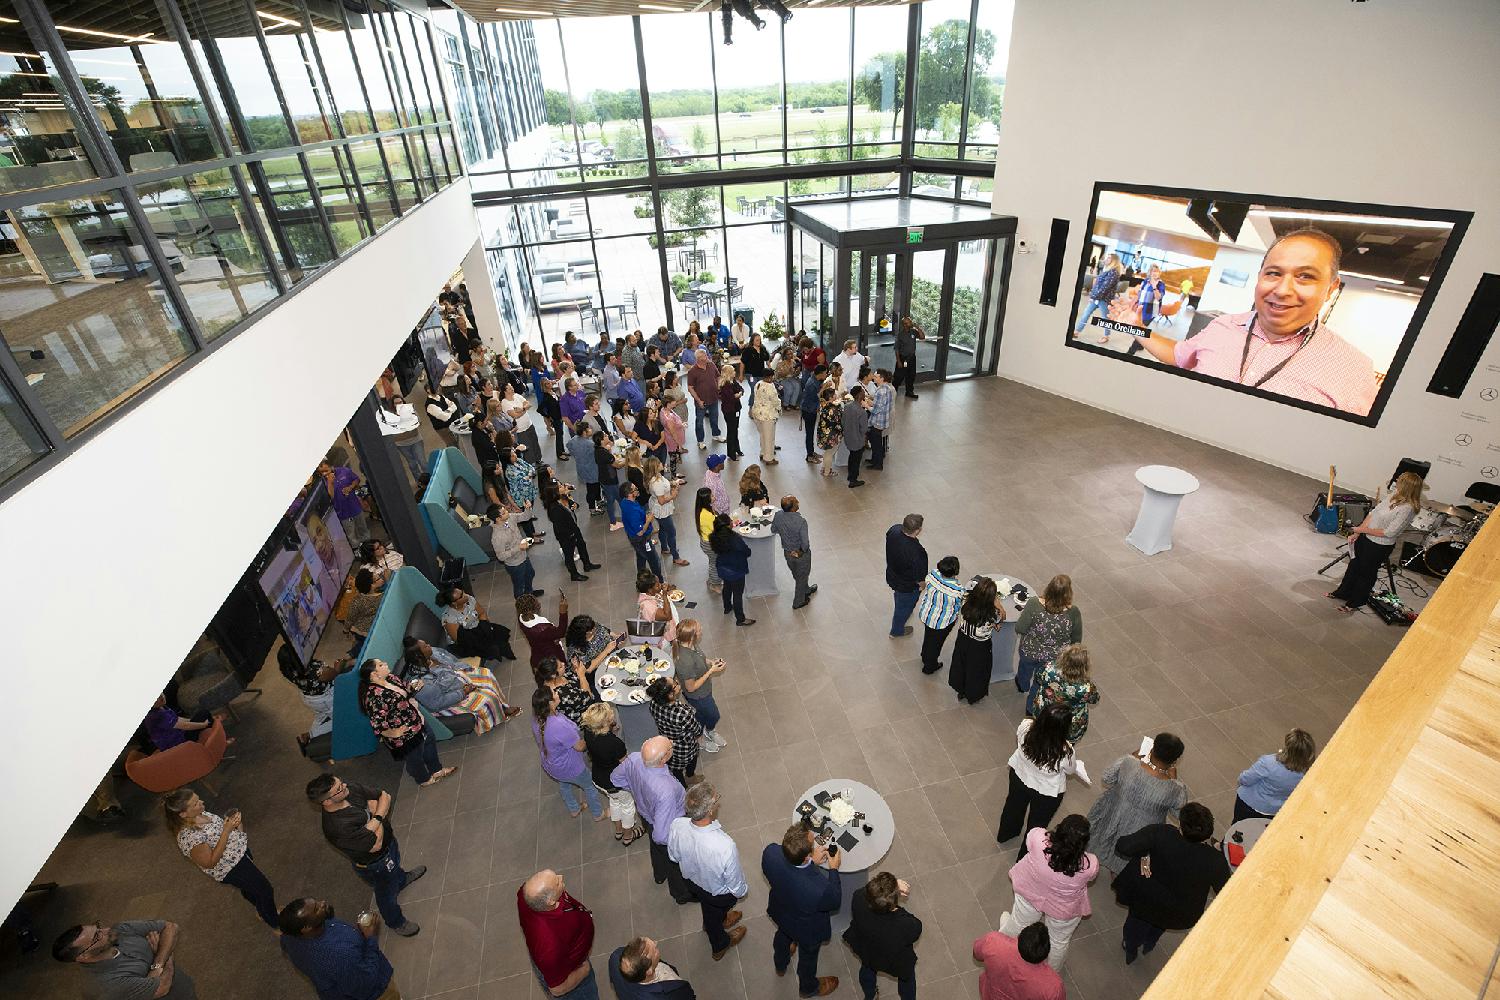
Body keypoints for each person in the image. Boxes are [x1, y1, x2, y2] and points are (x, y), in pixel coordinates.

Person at [1134, 229, 1378, 415]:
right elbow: (1178, 355)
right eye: (1274, 273)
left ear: (1331, 289)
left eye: (1305, 276)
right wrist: (1131, 326)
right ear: (1259, 277)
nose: (1283, 290)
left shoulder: (1354, 370)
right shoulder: (1223, 327)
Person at [307, 773, 423, 937]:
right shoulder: (337, 827)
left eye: (341, 782)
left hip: (388, 844)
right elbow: (374, 845)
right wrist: (378, 813)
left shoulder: (349, 789)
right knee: (386, 894)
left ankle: (401, 879)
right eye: (339, 788)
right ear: (326, 801)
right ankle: (396, 922)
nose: (345, 786)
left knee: (395, 865)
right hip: (375, 864)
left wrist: (374, 820)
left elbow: (383, 795)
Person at [1113, 802, 1230, 964]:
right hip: (1179, 909)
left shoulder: (1160, 833)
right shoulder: (1214, 860)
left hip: (1146, 898)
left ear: (1181, 826)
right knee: (1161, 924)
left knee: (1136, 923)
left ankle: (1130, 947)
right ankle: (1149, 943)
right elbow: (1227, 893)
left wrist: (1144, 854)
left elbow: (1123, 846)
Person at [162, 791, 278, 929]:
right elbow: (210, 862)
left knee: (251, 888)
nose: (202, 803)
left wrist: (236, 825)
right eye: (196, 804)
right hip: (232, 868)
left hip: (239, 854)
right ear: (183, 814)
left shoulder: (200, 814)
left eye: (198, 799)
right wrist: (226, 831)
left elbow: (217, 833)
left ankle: (263, 911)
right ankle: (275, 923)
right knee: (265, 890)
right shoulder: (189, 837)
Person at [998, 815, 1097, 972]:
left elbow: (1030, 838)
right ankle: (1051, 972)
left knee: (1019, 922)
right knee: (1058, 941)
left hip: (1030, 893)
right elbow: (1091, 878)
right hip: (1063, 908)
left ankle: (1002, 948)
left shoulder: (1039, 840)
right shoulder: (1090, 865)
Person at [1086, 732, 1189, 874]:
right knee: (1126, 865)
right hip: (1141, 833)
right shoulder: (1176, 789)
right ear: (1174, 761)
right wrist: (1174, 780)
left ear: (1152, 749)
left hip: (1112, 815)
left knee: (1100, 841)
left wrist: (1132, 756)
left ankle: (1090, 865)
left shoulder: (1129, 763)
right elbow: (1179, 814)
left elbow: (1107, 778)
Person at [668, 781, 749, 959]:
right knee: (715, 909)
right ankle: (720, 943)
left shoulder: (677, 825)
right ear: (710, 810)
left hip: (691, 882)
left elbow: (673, 856)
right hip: (717, 893)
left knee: (709, 907)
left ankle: (715, 920)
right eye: (715, 799)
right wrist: (741, 892)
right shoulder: (724, 845)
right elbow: (735, 884)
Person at [762, 823, 841, 998]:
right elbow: (835, 900)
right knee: (808, 957)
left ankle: (780, 964)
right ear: (805, 857)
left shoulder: (770, 853)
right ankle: (808, 987)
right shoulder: (819, 888)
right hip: (806, 930)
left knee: (783, 937)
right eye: (813, 845)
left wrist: (811, 860)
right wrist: (833, 868)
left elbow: (787, 872)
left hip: (781, 913)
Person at [611, 737, 694, 903]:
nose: (671, 743)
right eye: (669, 747)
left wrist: (637, 790)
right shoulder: (667, 790)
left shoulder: (634, 758)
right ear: (663, 759)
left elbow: (615, 778)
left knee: (655, 847)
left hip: (646, 815)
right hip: (668, 825)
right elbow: (662, 836)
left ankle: (659, 874)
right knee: (674, 863)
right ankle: (681, 894)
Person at [997, 704, 1090, 852]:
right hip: (1047, 791)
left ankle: (1006, 834)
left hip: (1020, 776)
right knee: (1036, 824)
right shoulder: (1065, 750)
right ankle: (1025, 855)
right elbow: (1071, 770)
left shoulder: (1026, 726)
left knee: (1013, 807)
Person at [1329, 471, 1422, 611]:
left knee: (1366, 574)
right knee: (1354, 566)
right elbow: (1373, 513)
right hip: (1365, 538)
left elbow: (1390, 532)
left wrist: (1362, 531)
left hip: (1379, 546)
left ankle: (1355, 602)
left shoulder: (1408, 509)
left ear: (1406, 487)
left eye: (1399, 481)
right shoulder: (1394, 496)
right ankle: (1343, 593)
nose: (1396, 482)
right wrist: (1358, 532)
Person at [357, 659, 457, 787]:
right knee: (415, 758)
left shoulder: (391, 678)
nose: (386, 663)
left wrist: (413, 687)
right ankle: (423, 779)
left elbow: (405, 690)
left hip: (416, 719)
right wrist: (395, 733)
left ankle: (436, 770)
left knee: (429, 741)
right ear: (374, 674)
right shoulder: (374, 697)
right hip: (404, 735)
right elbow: (378, 724)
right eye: (381, 664)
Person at [277, 897, 398, 1000]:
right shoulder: (339, 955)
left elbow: (285, 944)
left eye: (317, 902)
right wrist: (371, 938)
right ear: (307, 928)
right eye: (316, 909)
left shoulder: (290, 936)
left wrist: (327, 912)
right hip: (376, 992)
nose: (322, 903)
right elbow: (366, 984)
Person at [52, 919, 197, 999]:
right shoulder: (106, 984)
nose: (106, 930)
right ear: (84, 955)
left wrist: (158, 963)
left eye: (98, 927)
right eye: (97, 936)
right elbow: (162, 987)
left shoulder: (119, 931)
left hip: (184, 991)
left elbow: (171, 927)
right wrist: (167, 954)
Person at [400, 636, 519, 731]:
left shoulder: (433, 653)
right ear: (418, 655)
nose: (429, 645)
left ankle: (502, 706)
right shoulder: (420, 683)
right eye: (426, 646)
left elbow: (453, 661)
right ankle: (500, 715)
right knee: (487, 697)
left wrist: (466, 669)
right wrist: (463, 692)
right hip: (448, 700)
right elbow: (437, 703)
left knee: (486, 674)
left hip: (456, 678)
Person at [518, 869, 599, 999]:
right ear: (549, 901)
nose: (561, 877)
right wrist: (584, 971)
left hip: (566, 955)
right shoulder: (549, 947)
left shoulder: (527, 896)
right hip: (571, 978)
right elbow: (557, 988)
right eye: (557, 882)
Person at [842, 871, 921, 1000]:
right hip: (894, 960)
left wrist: (890, 890)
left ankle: (870, 995)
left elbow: (867, 891)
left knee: (867, 970)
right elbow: (917, 928)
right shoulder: (904, 924)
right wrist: (894, 900)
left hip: (867, 949)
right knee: (907, 980)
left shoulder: (858, 897)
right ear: (891, 906)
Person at [532, 686, 606, 820]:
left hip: (551, 764)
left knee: (564, 785)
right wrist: (593, 732)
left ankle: (574, 809)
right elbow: (580, 747)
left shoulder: (537, 719)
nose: (557, 692)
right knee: (589, 786)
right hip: (570, 767)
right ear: (550, 703)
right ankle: (598, 814)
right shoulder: (559, 725)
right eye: (554, 692)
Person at [580, 702, 641, 845]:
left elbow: (602, 744)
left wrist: (610, 731)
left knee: (614, 802)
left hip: (598, 778)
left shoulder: (588, 732)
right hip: (616, 783)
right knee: (627, 807)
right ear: (605, 722)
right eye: (609, 713)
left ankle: (618, 831)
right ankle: (628, 836)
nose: (612, 712)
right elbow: (625, 764)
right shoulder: (615, 744)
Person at [1015, 575, 1083, 698]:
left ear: (1049, 588)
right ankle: (1032, 705)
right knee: (1040, 683)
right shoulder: (1073, 612)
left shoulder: (1034, 604)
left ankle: (1022, 685)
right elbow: (1076, 640)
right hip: (1054, 658)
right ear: (1068, 593)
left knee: (1024, 670)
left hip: (1029, 651)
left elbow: (1020, 628)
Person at [1235, 728, 1317, 821]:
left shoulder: (1268, 762)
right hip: (1274, 811)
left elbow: (1245, 779)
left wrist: (1240, 781)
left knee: (1238, 825)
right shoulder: (1308, 773)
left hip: (1249, 804)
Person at [948, 575, 1007, 704]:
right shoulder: (992, 614)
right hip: (980, 645)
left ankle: (961, 690)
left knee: (962, 664)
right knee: (977, 670)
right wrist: (999, 605)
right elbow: (1002, 617)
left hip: (963, 639)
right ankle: (973, 695)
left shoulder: (966, 601)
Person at [672, 618, 728, 752]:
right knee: (713, 715)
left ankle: (706, 731)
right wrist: (711, 671)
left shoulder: (690, 645)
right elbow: (691, 688)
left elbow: (701, 658)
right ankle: (700, 738)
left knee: (703, 714)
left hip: (704, 690)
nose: (701, 630)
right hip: (698, 695)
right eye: (699, 629)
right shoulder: (685, 661)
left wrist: (711, 662)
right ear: (692, 636)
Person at [973, 922, 1065, 1000]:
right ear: (1046, 953)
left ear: (1019, 937)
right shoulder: (1054, 987)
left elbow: (976, 954)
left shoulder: (993, 941)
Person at [1027, 644, 1100, 741]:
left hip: (1045, 713)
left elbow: (1038, 678)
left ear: (1063, 658)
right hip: (1068, 723)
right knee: (1064, 746)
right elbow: (1094, 699)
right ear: (1084, 666)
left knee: (1042, 736)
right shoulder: (1086, 688)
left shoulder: (1048, 669)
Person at [647, 676, 704, 783]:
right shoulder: (683, 713)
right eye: (675, 683)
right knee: (692, 760)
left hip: (666, 744)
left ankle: (683, 786)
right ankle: (690, 777)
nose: (677, 682)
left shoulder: (653, 703)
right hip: (685, 747)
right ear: (670, 694)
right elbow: (697, 730)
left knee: (675, 769)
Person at [436, 584, 515, 661]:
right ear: (454, 603)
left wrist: (486, 627)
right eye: (461, 596)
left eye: (463, 592)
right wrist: (480, 637)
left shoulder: (470, 599)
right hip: (466, 641)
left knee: (499, 633)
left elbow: (482, 613)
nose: (466, 595)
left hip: (478, 627)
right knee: (490, 647)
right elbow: (460, 640)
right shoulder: (449, 619)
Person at [916, 555, 964, 674]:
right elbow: (958, 605)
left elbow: (926, 584)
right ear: (956, 571)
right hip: (943, 622)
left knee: (928, 636)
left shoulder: (932, 575)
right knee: (936, 643)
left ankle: (924, 654)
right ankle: (930, 666)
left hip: (927, 613)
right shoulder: (957, 591)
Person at [609, 937, 697, 999]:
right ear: (649, 971)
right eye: (654, 950)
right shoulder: (665, 995)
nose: (656, 942)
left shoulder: (616, 956)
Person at [885, 513, 928, 638]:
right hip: (907, 585)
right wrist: (922, 585)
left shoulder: (894, 530)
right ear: (918, 530)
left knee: (899, 598)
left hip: (892, 575)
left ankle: (901, 606)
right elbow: (920, 576)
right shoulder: (917, 552)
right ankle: (896, 631)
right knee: (903, 607)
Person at [770, 494, 817, 608]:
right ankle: (798, 602)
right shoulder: (801, 522)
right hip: (801, 554)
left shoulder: (778, 515)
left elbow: (773, 529)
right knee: (802, 576)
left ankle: (805, 589)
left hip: (787, 553)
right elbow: (805, 544)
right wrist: (800, 552)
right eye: (796, 502)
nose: (798, 503)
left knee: (798, 574)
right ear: (792, 508)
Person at [546, 483, 599, 581]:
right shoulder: (554, 508)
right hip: (565, 535)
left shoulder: (564, 497)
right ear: (555, 492)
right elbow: (560, 526)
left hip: (574, 528)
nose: (563, 487)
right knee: (569, 554)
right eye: (560, 486)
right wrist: (571, 534)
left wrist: (575, 505)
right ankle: (574, 574)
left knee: (582, 545)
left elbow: (573, 505)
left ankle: (587, 564)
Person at [710, 513, 754, 627]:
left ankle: (727, 607)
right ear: (727, 526)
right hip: (736, 569)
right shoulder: (734, 539)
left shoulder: (714, 537)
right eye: (730, 521)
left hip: (722, 568)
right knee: (738, 594)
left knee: (727, 587)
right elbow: (746, 551)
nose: (731, 522)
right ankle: (740, 619)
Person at [490, 503, 543, 599]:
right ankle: (522, 605)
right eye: (504, 512)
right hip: (514, 564)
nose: (508, 512)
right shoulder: (497, 537)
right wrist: (519, 547)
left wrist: (527, 508)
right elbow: (501, 556)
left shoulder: (510, 518)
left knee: (530, 574)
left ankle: (529, 593)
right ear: (498, 519)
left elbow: (525, 517)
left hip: (523, 556)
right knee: (519, 586)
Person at [645, 457, 691, 567]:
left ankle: (665, 548)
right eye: (659, 463)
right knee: (672, 532)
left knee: (663, 528)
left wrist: (673, 483)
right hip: (662, 509)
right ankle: (676, 557)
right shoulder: (656, 483)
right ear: (655, 467)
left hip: (657, 507)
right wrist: (672, 496)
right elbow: (661, 501)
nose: (662, 463)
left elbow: (664, 485)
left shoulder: (657, 477)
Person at [318, 460, 369, 548]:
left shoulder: (344, 471)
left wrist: (350, 487)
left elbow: (356, 479)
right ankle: (358, 551)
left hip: (355, 507)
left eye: (326, 470)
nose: (324, 474)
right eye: (322, 472)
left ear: (332, 467)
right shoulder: (322, 483)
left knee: (363, 529)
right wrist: (330, 483)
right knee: (351, 535)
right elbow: (331, 497)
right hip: (342, 513)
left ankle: (369, 547)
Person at [1075, 252, 1123, 344]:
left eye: (1109, 258)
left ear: (1114, 261)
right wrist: (1093, 295)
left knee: (1105, 319)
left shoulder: (1114, 273)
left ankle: (1106, 336)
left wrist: (1093, 297)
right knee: (1086, 314)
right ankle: (1077, 331)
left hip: (1104, 300)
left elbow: (1105, 288)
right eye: (1107, 258)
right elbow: (1097, 285)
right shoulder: (1106, 270)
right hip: (1096, 297)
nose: (1106, 259)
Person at [620, 482, 665, 579]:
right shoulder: (633, 512)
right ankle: (659, 580)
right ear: (629, 494)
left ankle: (641, 579)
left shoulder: (625, 502)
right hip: (641, 539)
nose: (637, 489)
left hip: (634, 537)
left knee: (641, 557)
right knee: (653, 559)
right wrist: (649, 520)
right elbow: (640, 532)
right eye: (635, 489)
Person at [567, 402, 603, 514]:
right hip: (592, 469)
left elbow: (569, 447)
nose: (590, 430)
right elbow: (597, 454)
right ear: (584, 432)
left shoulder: (573, 440)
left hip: (581, 468)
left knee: (592, 487)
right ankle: (592, 508)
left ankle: (598, 500)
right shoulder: (589, 444)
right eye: (589, 429)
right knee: (592, 489)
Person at [686, 349, 724, 448]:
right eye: (704, 356)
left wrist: (718, 386)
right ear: (699, 359)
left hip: (714, 398)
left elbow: (718, 377)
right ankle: (700, 441)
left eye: (706, 355)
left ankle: (716, 435)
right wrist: (698, 400)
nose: (707, 357)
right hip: (701, 401)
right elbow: (690, 388)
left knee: (714, 418)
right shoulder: (692, 371)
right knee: (699, 422)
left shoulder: (711, 365)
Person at [840, 384, 870, 488]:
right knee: (856, 460)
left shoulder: (847, 406)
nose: (864, 392)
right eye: (862, 391)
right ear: (859, 395)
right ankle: (853, 479)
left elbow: (843, 421)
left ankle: (850, 476)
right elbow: (864, 429)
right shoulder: (862, 412)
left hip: (848, 437)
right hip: (858, 440)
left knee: (851, 457)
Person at [594, 431, 625, 530]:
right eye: (605, 436)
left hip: (604, 479)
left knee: (612, 499)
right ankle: (613, 522)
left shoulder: (598, 450)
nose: (608, 436)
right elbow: (618, 465)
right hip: (610, 480)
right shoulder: (604, 454)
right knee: (615, 500)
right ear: (602, 440)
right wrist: (628, 460)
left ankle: (615, 519)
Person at [637, 569, 677, 643]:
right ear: (649, 590)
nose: (660, 585)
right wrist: (664, 594)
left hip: (668, 629)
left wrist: (669, 587)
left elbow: (672, 589)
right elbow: (667, 616)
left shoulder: (653, 592)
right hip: (661, 638)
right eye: (657, 585)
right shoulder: (647, 606)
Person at [865, 369, 895, 469]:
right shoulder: (887, 388)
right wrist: (872, 402)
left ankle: (878, 464)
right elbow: (883, 405)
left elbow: (876, 410)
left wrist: (866, 405)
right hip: (883, 420)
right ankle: (874, 460)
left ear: (882, 378)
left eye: (876, 377)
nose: (874, 378)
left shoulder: (881, 391)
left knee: (876, 444)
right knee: (876, 443)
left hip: (877, 421)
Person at [694, 487, 722, 593]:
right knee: (715, 564)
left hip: (706, 541)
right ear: (706, 500)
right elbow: (717, 529)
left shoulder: (703, 510)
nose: (714, 497)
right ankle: (715, 584)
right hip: (711, 544)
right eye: (712, 496)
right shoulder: (707, 516)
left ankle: (711, 580)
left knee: (712, 561)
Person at [892, 317, 926, 399]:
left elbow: (922, 337)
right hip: (903, 358)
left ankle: (909, 392)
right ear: (904, 325)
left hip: (912, 358)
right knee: (898, 376)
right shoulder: (900, 335)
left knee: (911, 376)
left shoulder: (913, 332)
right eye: (908, 322)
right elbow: (896, 349)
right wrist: (899, 361)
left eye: (910, 322)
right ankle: (893, 392)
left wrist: (918, 328)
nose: (910, 323)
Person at [750, 375, 781, 464]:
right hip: (768, 415)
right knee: (769, 437)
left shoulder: (758, 384)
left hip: (757, 412)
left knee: (762, 434)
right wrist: (779, 408)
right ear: (770, 377)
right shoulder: (770, 387)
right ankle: (769, 458)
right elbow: (775, 401)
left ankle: (763, 452)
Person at [718, 362, 744, 461]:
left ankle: (737, 449)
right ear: (729, 373)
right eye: (733, 371)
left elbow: (741, 389)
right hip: (729, 411)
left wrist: (739, 393)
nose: (735, 372)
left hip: (736, 409)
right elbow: (730, 398)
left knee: (735, 429)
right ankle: (731, 453)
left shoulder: (733, 381)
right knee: (731, 431)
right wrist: (737, 395)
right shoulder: (725, 385)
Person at [800, 364, 827, 461]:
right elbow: (816, 396)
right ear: (821, 373)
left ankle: (811, 451)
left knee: (811, 432)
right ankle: (809, 456)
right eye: (825, 373)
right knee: (810, 433)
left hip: (811, 408)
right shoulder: (811, 383)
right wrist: (823, 388)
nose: (826, 374)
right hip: (808, 410)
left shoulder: (815, 379)